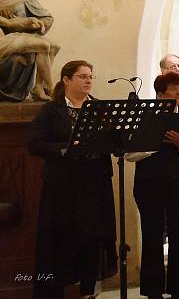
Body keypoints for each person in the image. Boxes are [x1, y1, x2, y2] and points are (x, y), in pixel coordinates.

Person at [29, 60, 117, 299]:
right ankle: (56, 291)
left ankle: (88, 291)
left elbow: (114, 143)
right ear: (66, 80)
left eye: (91, 76)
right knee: (62, 238)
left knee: (92, 237)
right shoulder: (52, 110)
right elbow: (35, 145)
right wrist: (67, 148)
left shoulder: (100, 108)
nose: (89, 80)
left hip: (95, 183)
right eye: (82, 76)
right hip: (63, 186)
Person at [127, 73, 179, 299]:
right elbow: (130, 155)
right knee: (151, 235)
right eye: (174, 88)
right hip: (149, 183)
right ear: (160, 93)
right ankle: (153, 291)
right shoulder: (144, 117)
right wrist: (153, 141)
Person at [0, 0, 60, 101]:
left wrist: (40, 24)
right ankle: (51, 88)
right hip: (7, 40)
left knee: (54, 46)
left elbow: (46, 18)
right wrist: (26, 22)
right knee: (43, 46)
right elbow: (6, 23)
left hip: (22, 36)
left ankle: (38, 87)